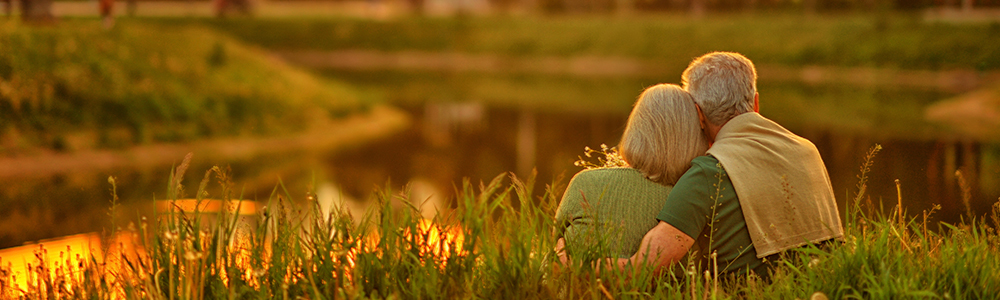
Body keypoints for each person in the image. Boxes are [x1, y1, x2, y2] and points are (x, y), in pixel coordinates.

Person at [616, 52, 844, 278]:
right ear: (755, 102)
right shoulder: (808, 150)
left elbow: (643, 268)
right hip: (820, 286)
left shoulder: (709, 172)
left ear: (698, 114)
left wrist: (588, 264)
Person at [554, 84, 708, 260]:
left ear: (635, 129)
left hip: (573, 284)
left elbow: (556, 239)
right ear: (694, 137)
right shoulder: (697, 198)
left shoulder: (585, 182)